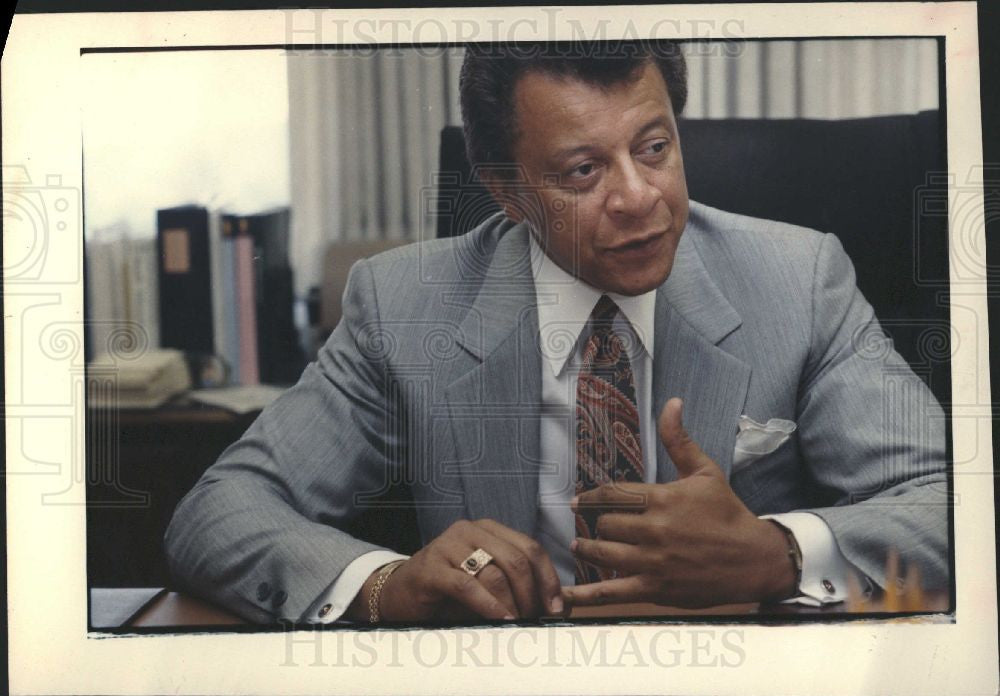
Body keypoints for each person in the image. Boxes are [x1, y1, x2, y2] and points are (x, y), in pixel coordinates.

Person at [164, 41, 949, 624]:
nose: (640, 197)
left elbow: (953, 505)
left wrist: (776, 553)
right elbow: (220, 512)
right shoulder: (403, 306)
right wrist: (386, 584)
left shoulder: (799, 280)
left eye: (654, 148)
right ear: (507, 193)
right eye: (583, 171)